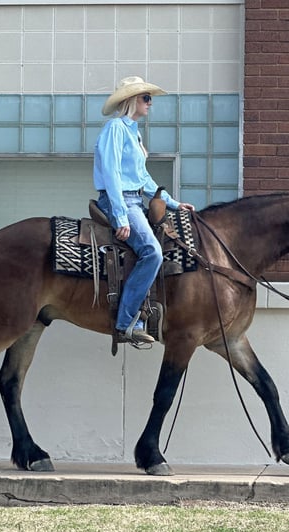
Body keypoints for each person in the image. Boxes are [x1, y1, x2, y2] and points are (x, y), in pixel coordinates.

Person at [93, 76, 196, 346]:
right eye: (146, 98)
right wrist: (120, 215)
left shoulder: (134, 132)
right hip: (121, 201)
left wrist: (173, 202)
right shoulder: (115, 128)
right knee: (152, 252)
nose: (150, 103)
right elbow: (112, 173)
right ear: (131, 101)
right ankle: (126, 323)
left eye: (149, 98)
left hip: (135, 199)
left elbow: (142, 177)